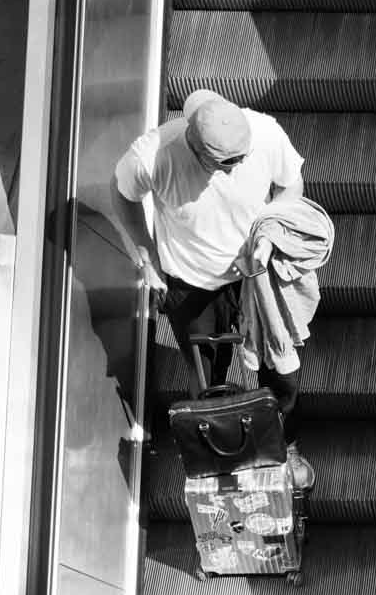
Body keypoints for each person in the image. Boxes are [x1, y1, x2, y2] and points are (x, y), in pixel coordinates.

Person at [113, 89, 315, 489]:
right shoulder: (151, 156)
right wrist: (148, 258)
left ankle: (285, 443)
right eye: (230, 162)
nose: (242, 164)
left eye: (244, 156)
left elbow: (291, 185)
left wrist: (270, 235)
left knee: (280, 365)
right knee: (206, 377)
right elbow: (124, 199)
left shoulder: (265, 133)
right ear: (197, 151)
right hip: (192, 281)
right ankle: (225, 450)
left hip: (258, 273)